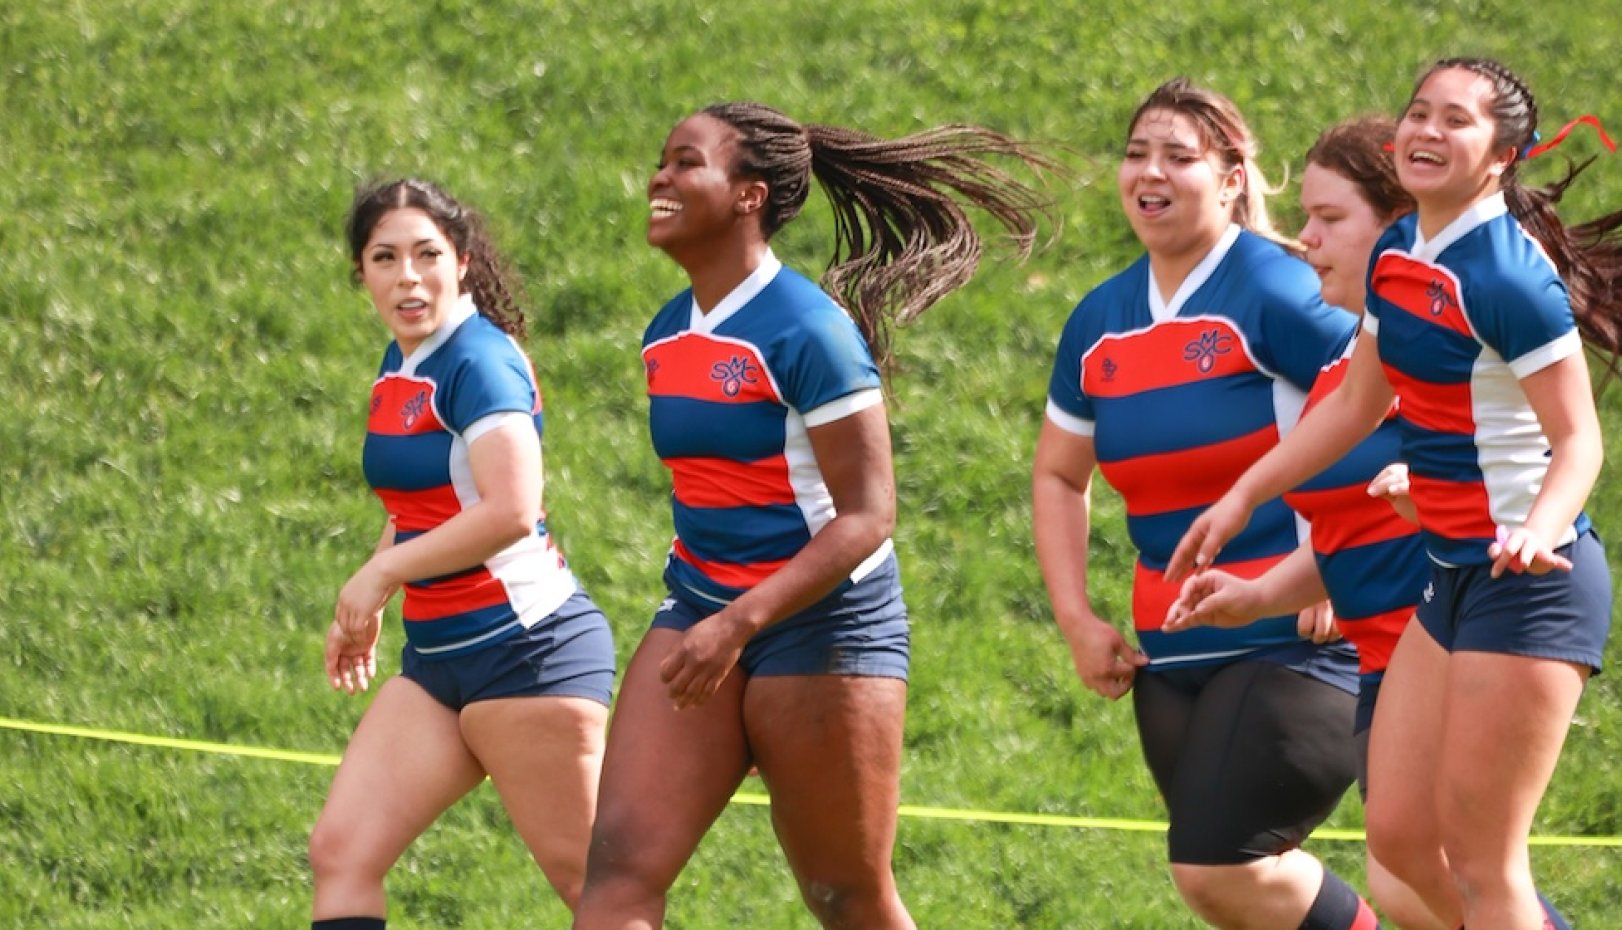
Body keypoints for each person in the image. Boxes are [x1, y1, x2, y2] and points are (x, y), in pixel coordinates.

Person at [570, 102, 1050, 930]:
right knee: (617, 869)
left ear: (750, 196)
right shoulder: (664, 335)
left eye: (687, 162)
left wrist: (743, 623)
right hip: (698, 609)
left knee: (846, 897)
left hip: (826, 628)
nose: (660, 178)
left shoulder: (808, 332)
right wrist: (713, 617)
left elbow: (869, 515)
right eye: (662, 160)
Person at [1167, 57, 1622, 930]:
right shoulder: (1399, 254)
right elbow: (1354, 401)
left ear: (1501, 155)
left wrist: (1540, 528)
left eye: (1456, 121)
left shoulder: (1509, 280)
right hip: (1449, 581)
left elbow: (1579, 440)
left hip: (1530, 587)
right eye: (1420, 113)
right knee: (1405, 841)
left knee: (1484, 866)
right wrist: (1241, 496)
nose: (1427, 132)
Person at [1033, 78, 1381, 930]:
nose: (1150, 172)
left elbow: (1376, 407)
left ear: (1231, 178)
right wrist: (1077, 617)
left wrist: (1336, 565)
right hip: (1170, 651)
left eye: (1178, 157)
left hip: (1299, 637)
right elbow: (1057, 475)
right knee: (1240, 887)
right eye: (1136, 153)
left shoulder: (1279, 291)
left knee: (1218, 868)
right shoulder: (1098, 321)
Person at [308, 178, 616, 930]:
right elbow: (424, 507)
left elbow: (510, 508)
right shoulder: (402, 361)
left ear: (463, 261)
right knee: (342, 853)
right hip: (441, 659)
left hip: (527, 654)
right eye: (385, 258)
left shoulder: (478, 361)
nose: (407, 276)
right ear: (362, 274)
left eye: (426, 255)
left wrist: (383, 571)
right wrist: (379, 596)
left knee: (599, 896)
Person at [1162, 116, 1442, 929]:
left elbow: (1515, 477)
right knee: (1413, 890)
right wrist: (1255, 596)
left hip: (1451, 643)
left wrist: (1431, 489)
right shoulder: (1341, 370)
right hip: (1382, 661)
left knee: (1442, 881)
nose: (1305, 239)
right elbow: (1345, 534)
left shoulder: (1436, 343)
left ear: (1397, 225)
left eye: (1329, 220)